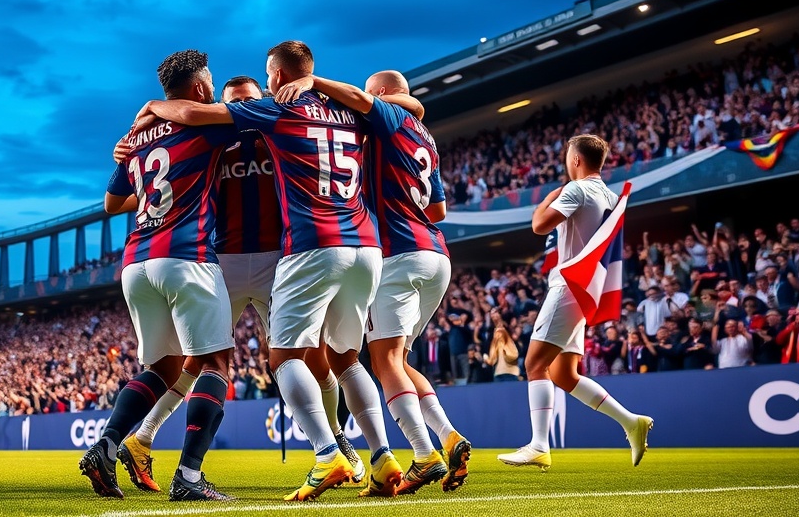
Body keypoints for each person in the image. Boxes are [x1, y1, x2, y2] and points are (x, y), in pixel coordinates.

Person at [136, 41, 410, 502]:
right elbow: (405, 107)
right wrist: (320, 83)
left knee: (308, 358)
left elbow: (189, 115)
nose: (244, 103)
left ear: (274, 80)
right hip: (300, 250)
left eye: (254, 92)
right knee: (206, 359)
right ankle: (144, 437)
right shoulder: (336, 111)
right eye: (235, 100)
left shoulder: (273, 116)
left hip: (290, 254)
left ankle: (334, 446)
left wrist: (150, 109)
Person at [275, 69, 467, 495]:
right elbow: (438, 210)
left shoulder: (386, 116)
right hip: (436, 254)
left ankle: (423, 454)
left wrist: (313, 82)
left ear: (380, 94)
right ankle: (448, 435)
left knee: (385, 363)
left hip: (397, 252)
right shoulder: (423, 133)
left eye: (369, 94)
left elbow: (364, 102)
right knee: (399, 361)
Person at [80, 50, 238, 502]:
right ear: (199, 88)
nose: (213, 90)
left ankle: (107, 445)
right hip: (186, 254)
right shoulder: (204, 122)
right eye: (210, 84)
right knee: (214, 365)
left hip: (137, 261)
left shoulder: (138, 135)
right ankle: (189, 476)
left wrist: (145, 122)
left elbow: (111, 203)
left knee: (164, 368)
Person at [499, 135, 653, 471]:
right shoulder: (610, 196)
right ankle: (631, 422)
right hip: (585, 291)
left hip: (568, 286)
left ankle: (539, 445)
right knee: (564, 374)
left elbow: (540, 226)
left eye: (568, 156)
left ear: (576, 160)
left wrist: (547, 200)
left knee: (534, 364)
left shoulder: (576, 189)